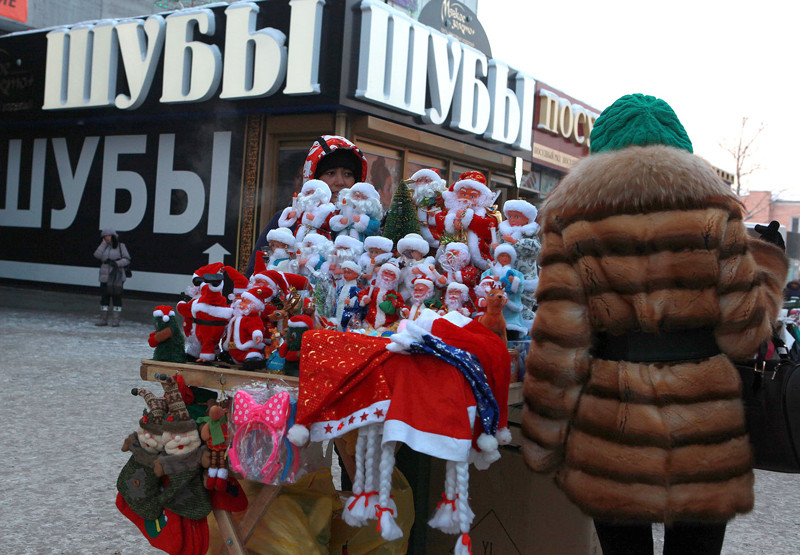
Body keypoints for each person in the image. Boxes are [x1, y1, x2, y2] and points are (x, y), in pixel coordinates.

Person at [521, 94, 789, 555]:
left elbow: (560, 346)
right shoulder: (717, 217)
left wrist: (544, 437)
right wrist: (766, 264)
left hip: (613, 421)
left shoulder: (572, 221)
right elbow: (745, 334)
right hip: (702, 421)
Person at [246, 136, 368, 275]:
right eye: (331, 173)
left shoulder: (364, 224)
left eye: (348, 174)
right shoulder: (289, 220)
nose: (340, 182)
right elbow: (255, 274)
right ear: (313, 178)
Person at [93, 229, 131, 327]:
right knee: (104, 298)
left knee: (116, 297)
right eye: (105, 236)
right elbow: (97, 255)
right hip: (104, 275)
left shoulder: (121, 246)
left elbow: (127, 259)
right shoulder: (103, 246)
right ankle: (103, 319)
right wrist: (103, 244)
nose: (107, 238)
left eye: (109, 236)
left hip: (116, 275)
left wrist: (117, 263)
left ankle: (116, 320)